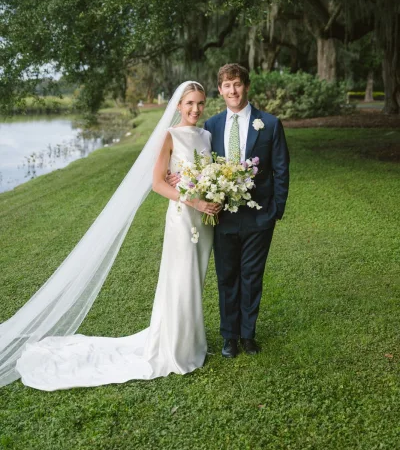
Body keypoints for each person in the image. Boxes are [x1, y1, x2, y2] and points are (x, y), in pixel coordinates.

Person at [3, 82, 221, 390]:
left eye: (200, 103)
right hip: (183, 218)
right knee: (180, 278)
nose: (195, 109)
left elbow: (206, 173)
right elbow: (159, 183)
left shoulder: (206, 136)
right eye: (189, 104)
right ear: (178, 106)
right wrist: (193, 199)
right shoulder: (169, 136)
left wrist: (212, 195)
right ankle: (176, 348)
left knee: (195, 278)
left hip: (205, 220)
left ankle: (190, 341)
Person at [204, 64, 289, 358]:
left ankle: (248, 335)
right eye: (227, 86)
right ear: (220, 90)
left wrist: (276, 210)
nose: (233, 91)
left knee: (252, 275)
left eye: (237, 84)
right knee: (227, 275)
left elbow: (281, 168)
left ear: (246, 86)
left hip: (259, 214)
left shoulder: (270, 123)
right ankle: (229, 336)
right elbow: (201, 166)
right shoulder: (211, 126)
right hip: (223, 214)